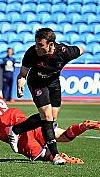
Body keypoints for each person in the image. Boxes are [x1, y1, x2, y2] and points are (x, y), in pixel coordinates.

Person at [0, 81, 100, 164]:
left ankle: (60, 157)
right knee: (60, 135)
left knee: (42, 155)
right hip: (21, 120)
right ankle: (83, 126)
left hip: (13, 132)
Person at [7, 28, 84, 165]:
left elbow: (81, 49)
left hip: (54, 84)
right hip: (36, 83)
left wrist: (82, 49)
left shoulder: (64, 52)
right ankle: (55, 155)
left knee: (51, 118)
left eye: (40, 45)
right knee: (47, 117)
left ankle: (16, 129)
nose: (37, 47)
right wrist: (20, 85)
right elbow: (23, 74)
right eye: (36, 43)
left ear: (51, 44)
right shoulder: (31, 52)